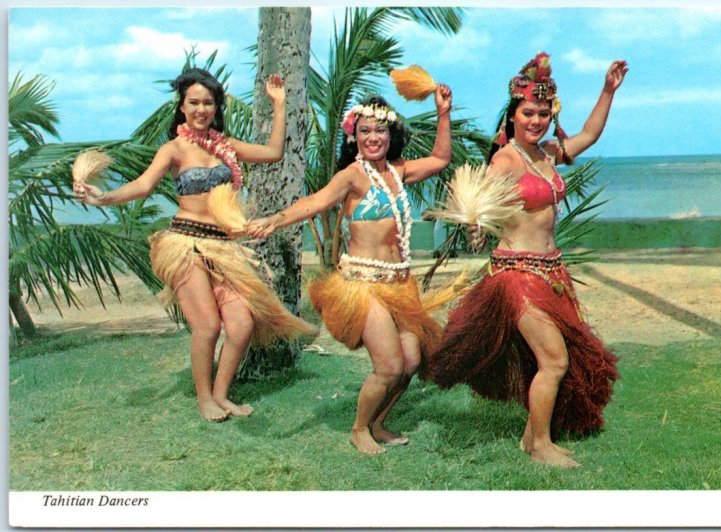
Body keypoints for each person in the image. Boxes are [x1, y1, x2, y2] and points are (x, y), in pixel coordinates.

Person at [73, 68, 317, 422]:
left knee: (241, 325)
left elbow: (274, 152)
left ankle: (222, 395)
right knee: (208, 325)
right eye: (194, 102)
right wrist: (103, 198)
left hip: (223, 248)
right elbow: (142, 186)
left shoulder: (227, 147)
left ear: (217, 107)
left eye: (208, 102)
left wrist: (279, 104)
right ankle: (204, 398)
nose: (201, 109)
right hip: (185, 244)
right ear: (182, 107)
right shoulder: (174, 149)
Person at [422, 53, 627, 468]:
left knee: (549, 359)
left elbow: (588, 133)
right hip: (517, 276)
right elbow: (479, 208)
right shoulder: (505, 160)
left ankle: (531, 436)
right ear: (512, 115)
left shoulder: (547, 153)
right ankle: (540, 445)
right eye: (528, 112)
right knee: (554, 360)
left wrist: (607, 90)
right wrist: (476, 224)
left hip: (552, 273)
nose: (537, 121)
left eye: (544, 114)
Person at [246, 86, 453, 454]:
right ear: (354, 137)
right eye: (365, 132)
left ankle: (378, 422)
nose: (373, 138)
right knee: (389, 366)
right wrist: (274, 221)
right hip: (363, 285)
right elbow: (315, 202)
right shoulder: (352, 177)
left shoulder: (399, 172)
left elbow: (439, 159)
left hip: (401, 283)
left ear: (391, 135)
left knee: (410, 362)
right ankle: (359, 429)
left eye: (380, 131)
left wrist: (442, 113)